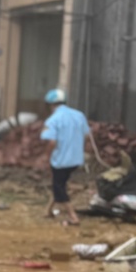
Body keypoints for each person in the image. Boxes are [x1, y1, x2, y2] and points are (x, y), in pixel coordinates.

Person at [39, 87, 96, 226]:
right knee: (59, 183)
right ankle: (48, 210)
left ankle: (73, 216)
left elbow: (51, 141)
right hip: (76, 159)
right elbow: (87, 135)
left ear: (51, 105)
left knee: (59, 187)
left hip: (61, 160)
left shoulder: (53, 120)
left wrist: (46, 156)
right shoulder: (79, 115)